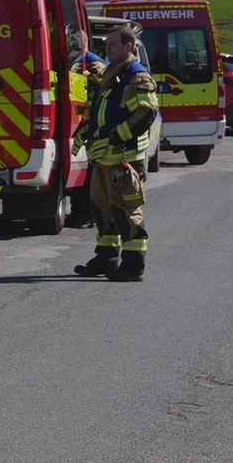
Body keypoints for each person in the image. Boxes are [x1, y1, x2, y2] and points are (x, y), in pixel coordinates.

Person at [71, 27, 159, 281]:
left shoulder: (136, 76)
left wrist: (115, 136)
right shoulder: (112, 73)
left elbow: (145, 114)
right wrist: (87, 130)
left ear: (129, 45)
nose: (107, 49)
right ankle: (106, 258)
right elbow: (101, 111)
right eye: (106, 45)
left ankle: (133, 265)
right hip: (103, 158)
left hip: (124, 159)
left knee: (125, 210)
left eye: (113, 44)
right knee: (100, 209)